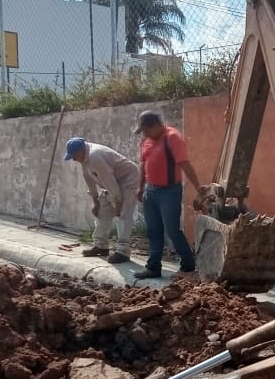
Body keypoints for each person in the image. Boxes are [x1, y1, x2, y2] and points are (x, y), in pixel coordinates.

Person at [132, 110, 204, 280]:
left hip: (169, 191)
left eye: (147, 130)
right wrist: (140, 187)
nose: (145, 134)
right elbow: (143, 164)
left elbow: (185, 164)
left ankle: (187, 266)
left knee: (172, 230)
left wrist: (199, 187)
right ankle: (153, 267)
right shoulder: (145, 140)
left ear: (156, 125)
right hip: (151, 191)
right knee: (153, 230)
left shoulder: (172, 137)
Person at [63, 137, 139, 264]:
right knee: (101, 212)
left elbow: (109, 180)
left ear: (81, 151)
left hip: (126, 180)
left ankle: (123, 252)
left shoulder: (95, 156)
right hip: (110, 183)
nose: (74, 159)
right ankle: (101, 246)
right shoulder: (84, 159)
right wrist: (95, 201)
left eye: (74, 156)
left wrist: (118, 202)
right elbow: (89, 179)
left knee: (123, 215)